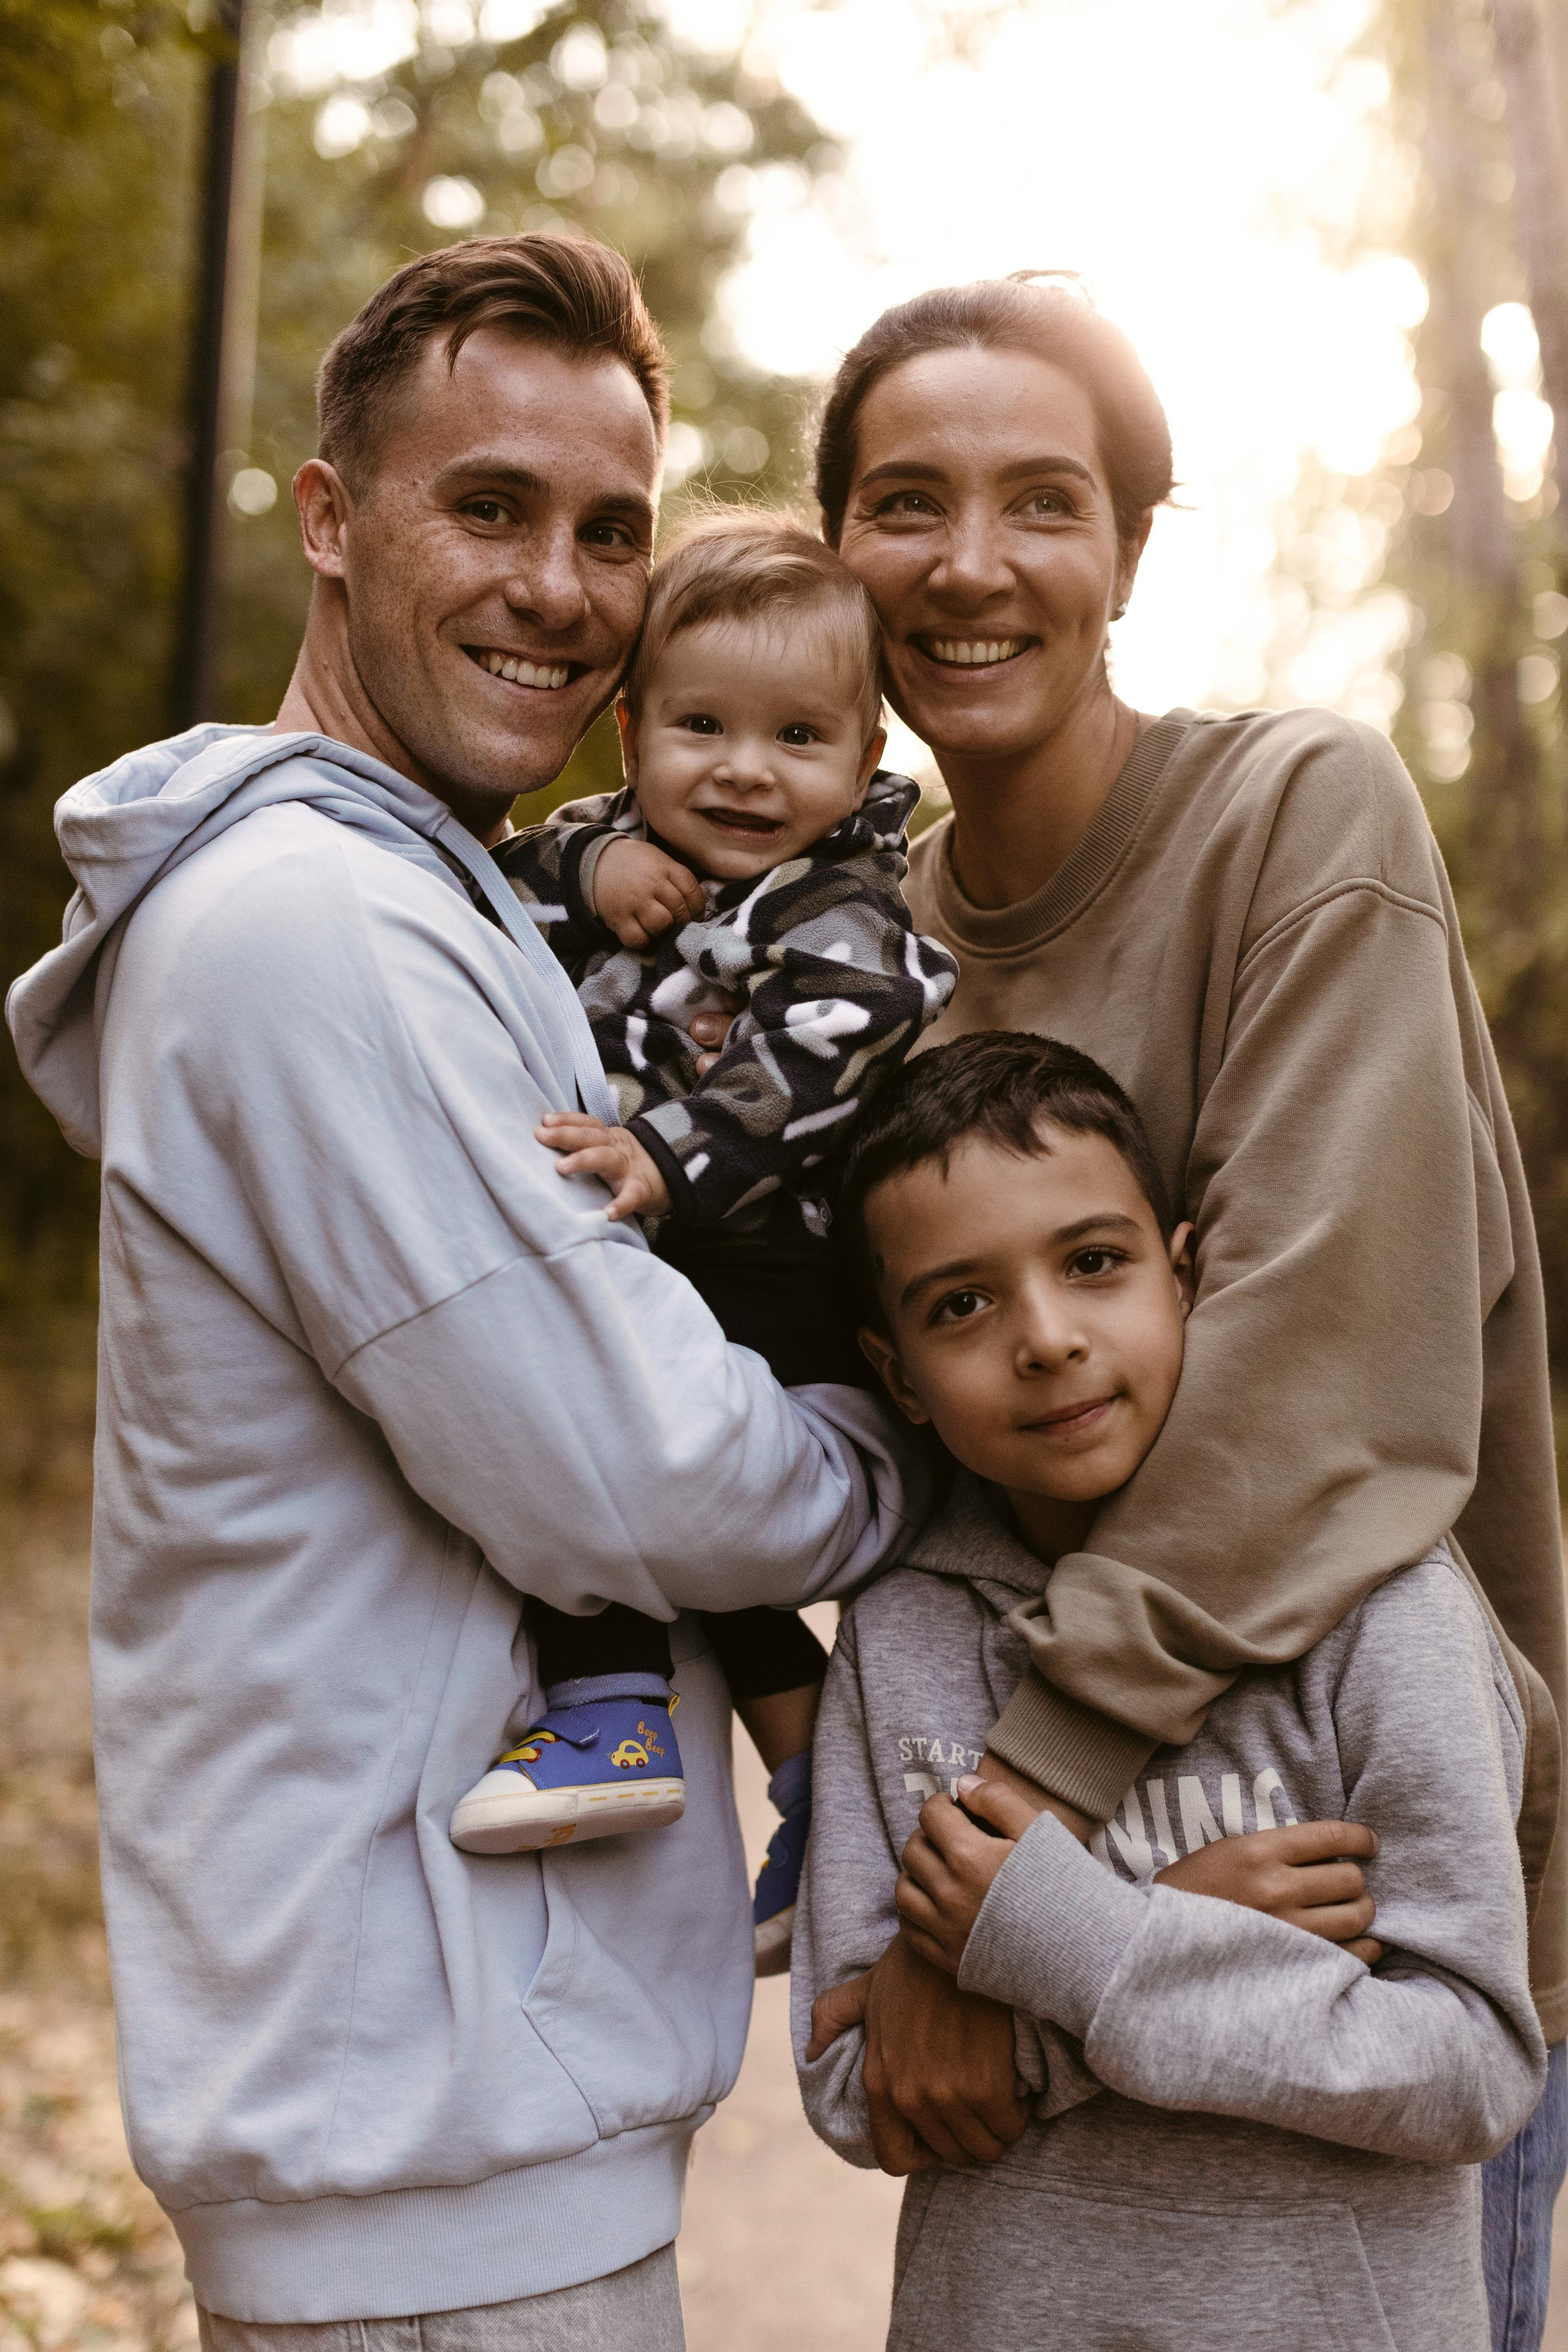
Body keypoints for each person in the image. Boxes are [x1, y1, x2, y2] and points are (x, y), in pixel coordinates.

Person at [4, 236, 926, 2351]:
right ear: (332, 520)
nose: (559, 587)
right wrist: (901, 1451)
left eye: (612, 530)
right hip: (423, 2151)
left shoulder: (451, 889)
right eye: (487, 508)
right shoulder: (319, 926)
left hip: (476, 2122)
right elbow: (637, 1476)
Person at [810, 271, 1568, 2347]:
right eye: (907, 504)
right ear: (836, 556)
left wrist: (1009, 1875)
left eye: (1042, 502)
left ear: (1132, 549)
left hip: (1358, 1918)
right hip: (1042, 2072)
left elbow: (1327, 1380)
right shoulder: (840, 959)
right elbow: (815, 1425)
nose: (972, 565)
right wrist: (956, 1907)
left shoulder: (1299, 821)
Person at [796, 1031, 1546, 2351]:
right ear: (896, 1373)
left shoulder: (1377, 1604)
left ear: (1187, 1277)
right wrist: (1149, 1933)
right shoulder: (900, 1630)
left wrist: (1076, 1951)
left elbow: (1470, 2070)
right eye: (959, 1304)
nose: (1044, 1339)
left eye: (1092, 1263)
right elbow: (864, 2084)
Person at [448, 511, 957, 1977]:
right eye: (701, 726)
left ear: (863, 764)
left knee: (588, 1425)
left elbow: (815, 1062)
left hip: (777, 1261)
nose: (744, 767)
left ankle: (606, 1707)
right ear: (629, 732)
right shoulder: (625, 855)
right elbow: (507, 885)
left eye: (797, 735)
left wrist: (667, 1156)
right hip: (678, 1244)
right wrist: (598, 861)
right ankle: (806, 1780)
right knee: (644, 1488)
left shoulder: (844, 913)